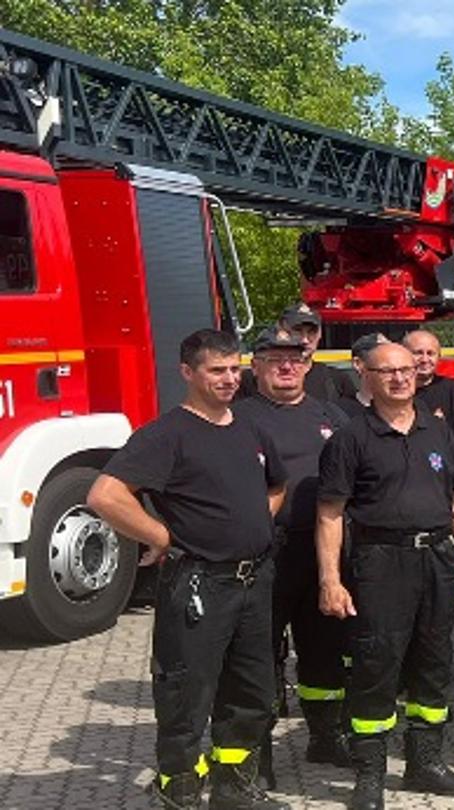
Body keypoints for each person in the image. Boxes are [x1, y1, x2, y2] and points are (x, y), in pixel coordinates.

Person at [88, 329, 290, 810]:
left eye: (234, 368)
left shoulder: (249, 427)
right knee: (187, 692)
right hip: (201, 583)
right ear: (188, 373)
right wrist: (160, 537)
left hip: (254, 581)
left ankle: (232, 787)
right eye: (215, 370)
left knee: (252, 691)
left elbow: (277, 486)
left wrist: (250, 524)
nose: (228, 379)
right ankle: (180, 788)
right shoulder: (167, 435)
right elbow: (104, 496)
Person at [316, 342, 454, 809]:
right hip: (379, 561)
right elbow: (330, 514)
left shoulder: (438, 431)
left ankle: (424, 763)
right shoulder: (350, 439)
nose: (399, 379)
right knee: (376, 665)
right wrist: (331, 579)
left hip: (437, 558)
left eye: (406, 370)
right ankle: (369, 776)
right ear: (365, 376)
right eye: (387, 371)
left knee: (434, 662)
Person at [232, 328, 353, 780]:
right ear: (256, 366)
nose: (286, 366)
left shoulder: (333, 416)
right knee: (257, 654)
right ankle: (254, 754)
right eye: (274, 358)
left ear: (308, 365)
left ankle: (325, 737)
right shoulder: (237, 418)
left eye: (295, 358)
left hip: (324, 554)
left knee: (324, 649)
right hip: (265, 555)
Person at [245, 302, 356, 402]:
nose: (305, 340)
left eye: (311, 332)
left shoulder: (337, 380)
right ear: (281, 329)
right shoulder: (252, 378)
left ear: (320, 334)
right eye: (297, 331)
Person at [404, 330, 454, 424]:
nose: (425, 359)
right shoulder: (392, 392)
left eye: (430, 353)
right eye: (418, 353)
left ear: (439, 357)